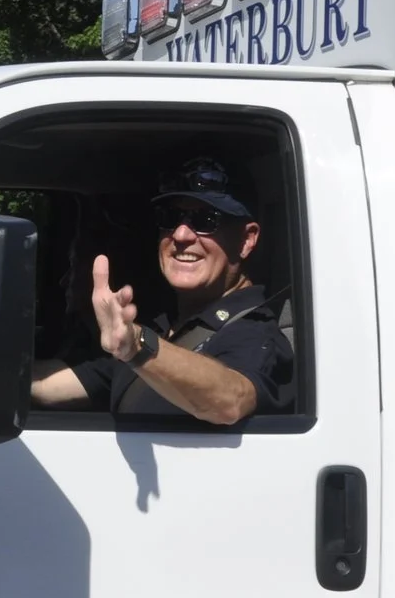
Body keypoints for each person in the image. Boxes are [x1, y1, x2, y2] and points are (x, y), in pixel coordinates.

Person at [29, 158, 293, 426]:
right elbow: (56, 386)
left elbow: (231, 400)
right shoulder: (162, 325)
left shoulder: (255, 332)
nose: (180, 235)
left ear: (246, 240)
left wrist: (139, 347)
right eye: (170, 217)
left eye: (206, 220)